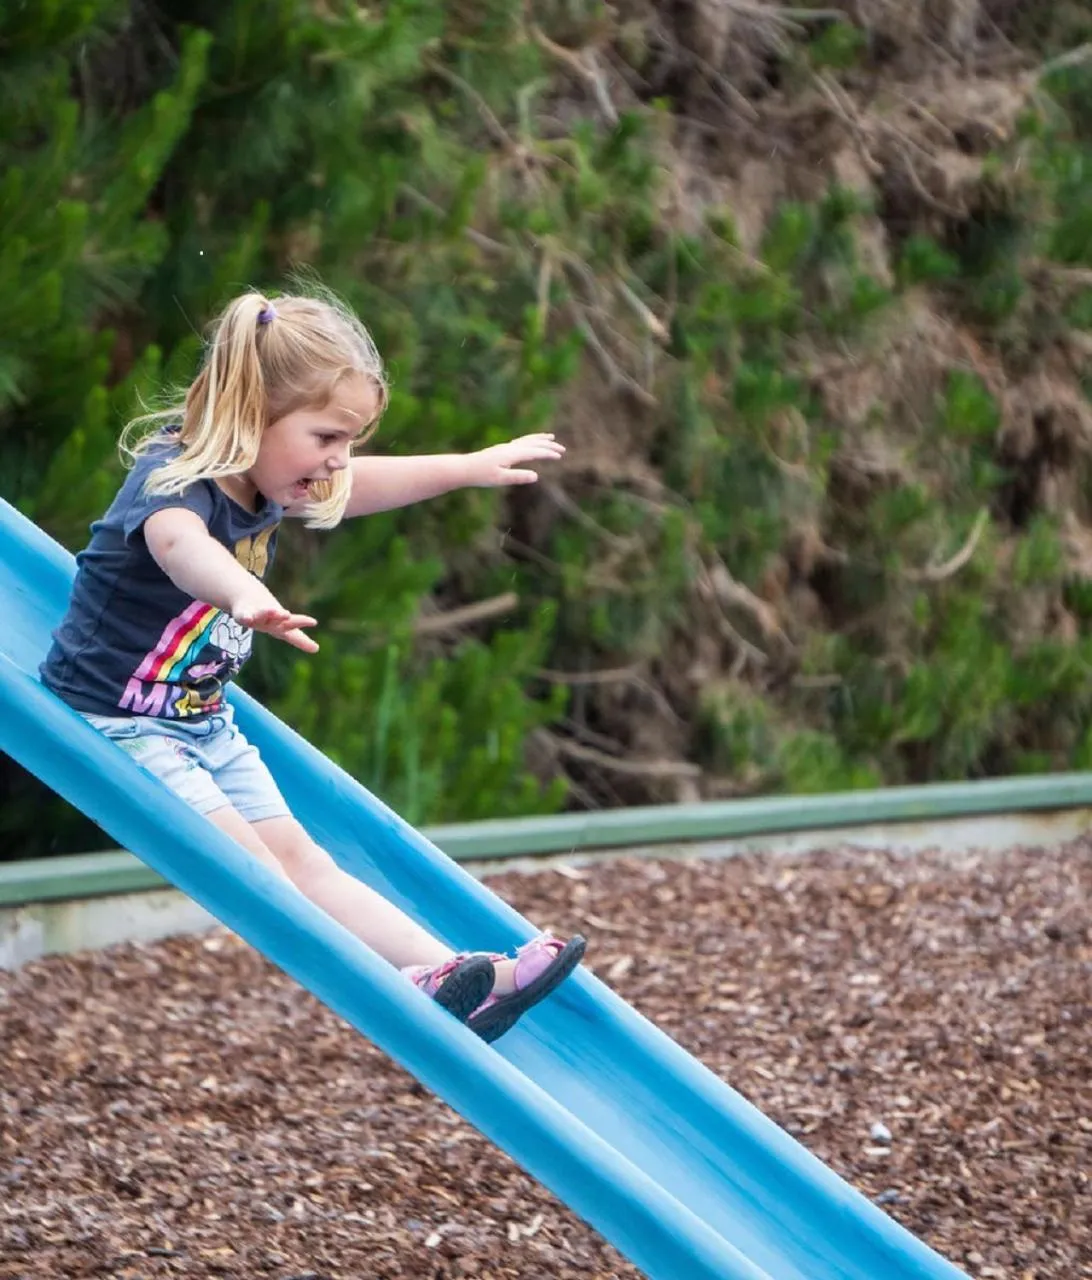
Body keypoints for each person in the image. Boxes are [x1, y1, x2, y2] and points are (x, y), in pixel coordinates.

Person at [40, 286, 585, 1043]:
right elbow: (178, 548)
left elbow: (365, 485)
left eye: (349, 441)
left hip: (201, 725)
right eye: (328, 437)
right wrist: (243, 594)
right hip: (123, 723)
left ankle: (466, 977)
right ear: (254, 411)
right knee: (261, 870)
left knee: (306, 858)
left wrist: (466, 466)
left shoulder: (263, 472)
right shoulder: (173, 482)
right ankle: (408, 984)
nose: (339, 460)